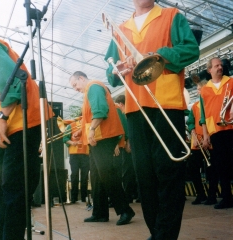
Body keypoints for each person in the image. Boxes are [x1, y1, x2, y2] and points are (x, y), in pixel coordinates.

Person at [104, 0, 199, 239]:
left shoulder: (171, 15)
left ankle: (164, 235)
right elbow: (110, 69)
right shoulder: (120, 28)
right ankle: (157, 231)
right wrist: (117, 70)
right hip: (135, 107)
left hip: (167, 103)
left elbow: (190, 49)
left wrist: (159, 55)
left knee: (168, 172)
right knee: (144, 175)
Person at [0, 37, 53, 239]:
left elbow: (13, 81)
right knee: (0, 188)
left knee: (13, 189)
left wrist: (2, 117)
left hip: (20, 121)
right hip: (8, 126)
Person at [69, 71, 135, 225]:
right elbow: (93, 114)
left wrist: (91, 130)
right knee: (97, 177)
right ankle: (99, 212)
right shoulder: (90, 90)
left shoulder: (94, 86)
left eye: (75, 84)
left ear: (81, 78)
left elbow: (100, 110)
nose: (75, 89)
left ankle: (125, 209)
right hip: (98, 138)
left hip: (103, 136)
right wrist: (83, 131)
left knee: (107, 174)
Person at [200, 57, 233, 209]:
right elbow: (203, 115)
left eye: (221, 65)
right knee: (221, 166)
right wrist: (206, 135)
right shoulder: (204, 90)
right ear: (209, 70)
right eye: (216, 65)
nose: (220, 67)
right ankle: (227, 197)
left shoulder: (231, 82)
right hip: (216, 131)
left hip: (231, 127)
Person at [186, 80, 217, 205]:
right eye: (198, 90)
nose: (199, 92)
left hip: (210, 140)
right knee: (193, 168)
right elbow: (191, 122)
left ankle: (212, 195)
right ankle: (200, 194)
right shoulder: (195, 106)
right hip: (197, 142)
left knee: (213, 169)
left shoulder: (211, 103)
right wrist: (193, 132)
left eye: (200, 89)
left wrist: (207, 137)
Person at [115, 95, 139, 203]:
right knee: (133, 169)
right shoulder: (130, 111)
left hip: (128, 144)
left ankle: (128, 195)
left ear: (120, 104)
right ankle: (136, 194)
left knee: (127, 170)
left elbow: (125, 128)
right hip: (133, 143)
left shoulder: (123, 112)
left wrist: (127, 141)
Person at [63, 116, 90, 203]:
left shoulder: (88, 125)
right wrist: (73, 143)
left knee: (84, 176)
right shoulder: (71, 125)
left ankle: (83, 197)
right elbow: (65, 138)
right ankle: (73, 198)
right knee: (74, 175)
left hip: (86, 154)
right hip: (74, 154)